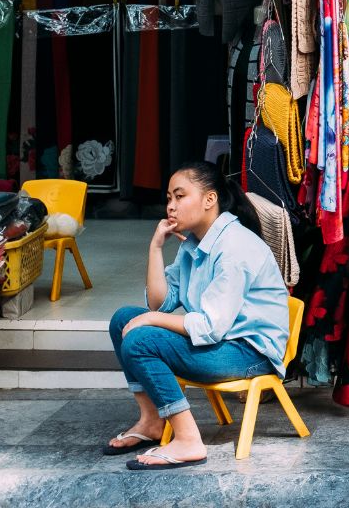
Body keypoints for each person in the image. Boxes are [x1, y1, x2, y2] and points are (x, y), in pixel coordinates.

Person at [102, 162, 291, 470]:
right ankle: (151, 421)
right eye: (168, 198)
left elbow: (209, 327)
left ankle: (188, 439)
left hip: (249, 352)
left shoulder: (234, 246)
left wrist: (150, 321)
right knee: (123, 319)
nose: (171, 206)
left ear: (209, 199)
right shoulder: (195, 242)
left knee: (141, 338)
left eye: (180, 196)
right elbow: (160, 305)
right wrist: (155, 248)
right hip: (220, 342)